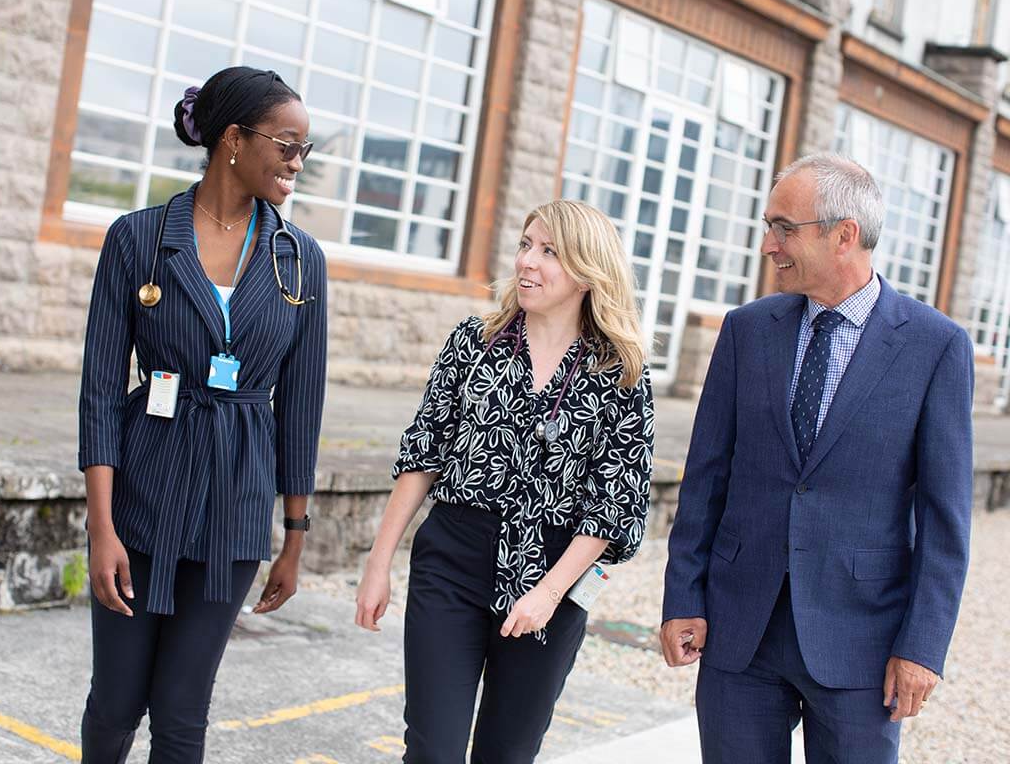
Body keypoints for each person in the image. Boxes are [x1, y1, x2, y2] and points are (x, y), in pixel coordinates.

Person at [660, 153, 974, 763]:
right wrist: (683, 596)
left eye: (784, 228)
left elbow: (945, 519)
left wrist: (923, 647)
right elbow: (706, 477)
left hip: (862, 642)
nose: (768, 245)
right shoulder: (747, 330)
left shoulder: (936, 347)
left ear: (844, 235)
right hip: (739, 629)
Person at [77, 66, 327, 763]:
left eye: (306, 150)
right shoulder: (137, 239)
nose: (296, 163)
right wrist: (101, 528)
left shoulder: (301, 261)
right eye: (286, 144)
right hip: (141, 495)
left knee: (184, 715)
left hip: (234, 510)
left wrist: (295, 535)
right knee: (116, 701)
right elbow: (100, 392)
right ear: (233, 141)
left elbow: (301, 409)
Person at [355, 200, 654, 762]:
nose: (527, 263)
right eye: (525, 245)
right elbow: (423, 452)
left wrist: (548, 593)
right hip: (453, 559)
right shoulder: (473, 342)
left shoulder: (620, 371)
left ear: (588, 273)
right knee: (431, 749)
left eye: (549, 252)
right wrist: (378, 563)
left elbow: (615, 504)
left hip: (552, 572)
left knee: (507, 753)